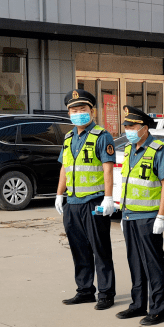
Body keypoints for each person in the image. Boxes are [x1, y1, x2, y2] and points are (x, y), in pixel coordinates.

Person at [56, 88, 117, 310]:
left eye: (82, 109)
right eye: (73, 110)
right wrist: (59, 193)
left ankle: (106, 293)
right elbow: (65, 167)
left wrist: (108, 198)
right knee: (78, 248)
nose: (77, 113)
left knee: (100, 249)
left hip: (94, 201)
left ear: (92, 111)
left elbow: (107, 169)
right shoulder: (68, 136)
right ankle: (84, 290)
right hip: (72, 203)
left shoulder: (102, 136)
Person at [116, 105, 164, 325]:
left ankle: (158, 309)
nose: (128, 130)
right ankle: (137, 304)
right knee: (135, 262)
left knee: (153, 263)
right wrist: (123, 212)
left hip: (149, 216)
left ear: (144, 128)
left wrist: (161, 215)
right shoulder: (130, 149)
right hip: (130, 215)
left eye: (132, 126)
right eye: (127, 126)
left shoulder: (159, 150)